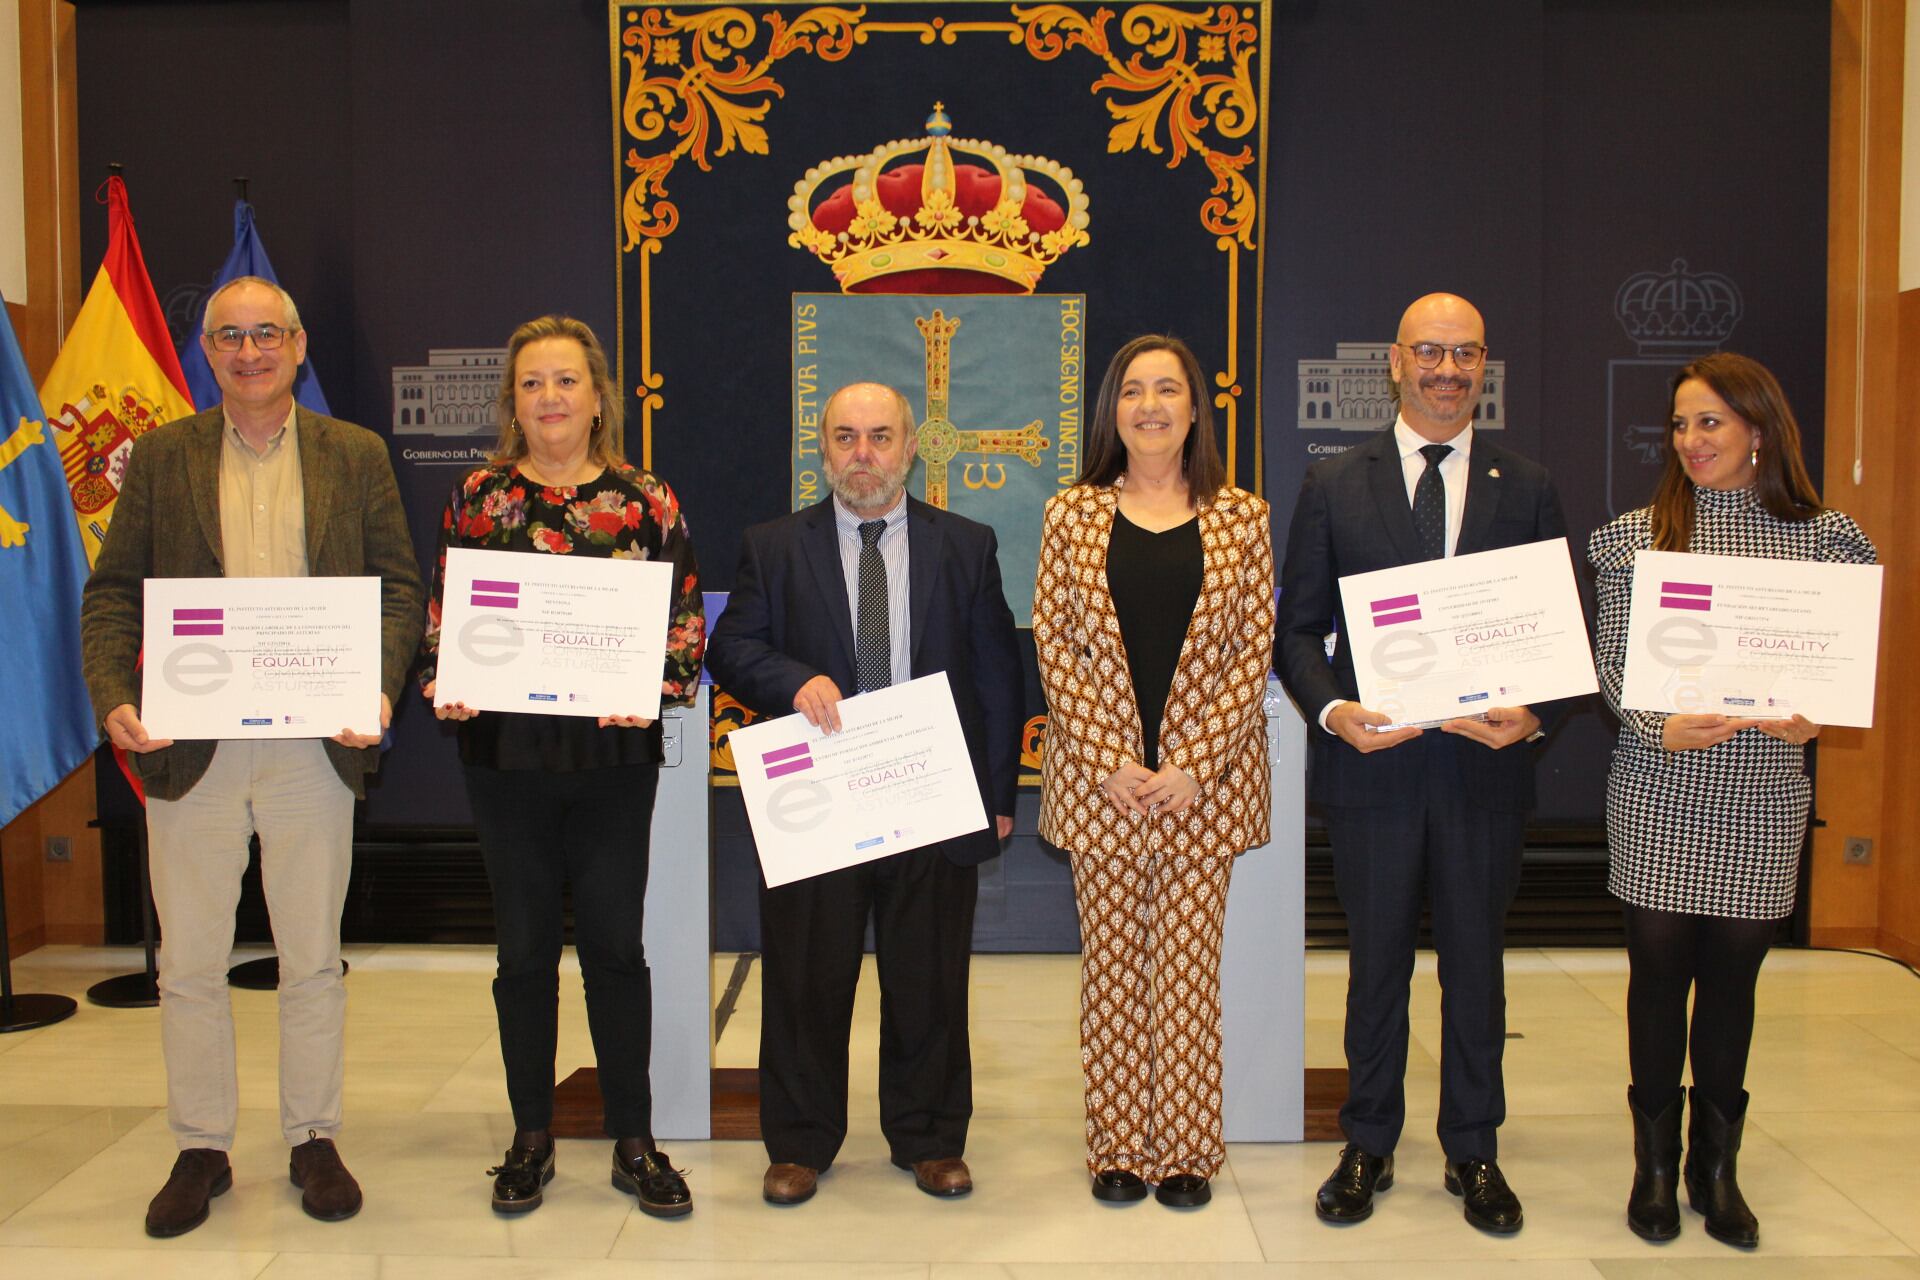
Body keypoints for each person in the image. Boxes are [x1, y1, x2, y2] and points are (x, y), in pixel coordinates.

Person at [80, 276, 423, 1237]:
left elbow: (398, 591)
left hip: (316, 748)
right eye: (229, 336)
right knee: (188, 961)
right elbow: (111, 594)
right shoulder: (161, 455)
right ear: (207, 351)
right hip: (194, 749)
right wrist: (115, 695)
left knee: (311, 958)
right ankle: (201, 1147)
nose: (249, 351)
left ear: (299, 345)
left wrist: (377, 691)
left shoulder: (354, 455)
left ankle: (313, 1137)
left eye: (266, 333)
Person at [1277, 292, 1571, 1235]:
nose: (1449, 372)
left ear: (1485, 366)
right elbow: (1298, 630)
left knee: (1477, 968)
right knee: (1376, 969)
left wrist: (1533, 716)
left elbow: (1560, 634)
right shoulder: (1335, 484)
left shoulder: (1525, 485)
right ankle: (1368, 1141)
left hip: (1485, 773)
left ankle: (1473, 1149)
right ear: (1395, 363)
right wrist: (1331, 709)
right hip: (1376, 770)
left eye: (1468, 355)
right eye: (1431, 353)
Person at [705, 380, 1021, 1206]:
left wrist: (996, 795)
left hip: (933, 798)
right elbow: (731, 647)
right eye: (846, 438)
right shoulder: (774, 546)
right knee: (807, 979)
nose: (864, 455)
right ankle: (801, 1144)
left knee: (930, 980)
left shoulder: (968, 544)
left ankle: (929, 1139)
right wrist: (793, 677)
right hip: (821, 808)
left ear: (911, 446)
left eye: (880, 436)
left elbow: (997, 674)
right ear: (823, 448)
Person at [418, 315, 704, 1218]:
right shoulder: (477, 496)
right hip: (504, 760)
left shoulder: (647, 499)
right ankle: (530, 1136)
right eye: (533, 383)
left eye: (567, 381)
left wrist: (655, 684)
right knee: (525, 952)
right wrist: (445, 679)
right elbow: (442, 616)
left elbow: (685, 626)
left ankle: (634, 1140)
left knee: (617, 948)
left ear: (597, 398)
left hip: (613, 758)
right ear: (514, 401)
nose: (550, 398)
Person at [1589, 352, 1875, 1249]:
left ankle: (1719, 1170)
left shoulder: (1828, 540)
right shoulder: (1635, 537)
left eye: (1710, 422)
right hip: (1661, 786)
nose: (1691, 440)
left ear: (1759, 428)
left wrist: (1813, 718)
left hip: (1761, 795)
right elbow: (1612, 663)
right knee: (1657, 981)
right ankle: (1656, 1170)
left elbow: (1837, 668)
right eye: (1680, 424)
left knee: (1733, 988)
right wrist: (1654, 723)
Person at [1032, 335, 1273, 1208]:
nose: (1150, 405)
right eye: (1132, 391)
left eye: (1167, 388)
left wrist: (1194, 767)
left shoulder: (1242, 515)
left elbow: (1254, 650)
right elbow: (1053, 639)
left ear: (1194, 408)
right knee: (1112, 975)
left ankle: (1185, 1151)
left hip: (1202, 794)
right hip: (1103, 790)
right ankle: (1118, 1148)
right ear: (1112, 411)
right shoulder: (1073, 513)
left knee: (1184, 973)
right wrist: (1106, 763)